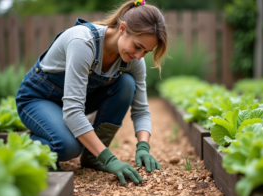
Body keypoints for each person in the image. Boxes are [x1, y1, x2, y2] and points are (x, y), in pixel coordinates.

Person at [15, 0, 167, 185]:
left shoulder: (134, 61)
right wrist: (110, 159)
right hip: (38, 98)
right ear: (122, 28)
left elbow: (141, 109)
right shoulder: (84, 42)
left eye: (146, 52)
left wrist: (143, 146)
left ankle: (92, 157)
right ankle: (30, 147)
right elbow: (72, 111)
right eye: (137, 46)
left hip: (73, 102)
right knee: (68, 147)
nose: (139, 56)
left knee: (127, 83)